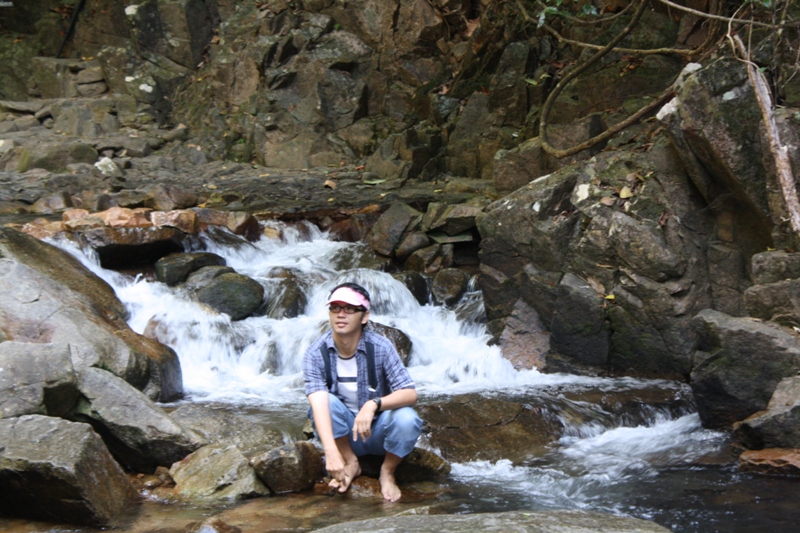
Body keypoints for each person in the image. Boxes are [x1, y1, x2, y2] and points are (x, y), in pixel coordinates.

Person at [303, 282, 422, 502]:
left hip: (378, 432)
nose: (341, 314)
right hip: (345, 437)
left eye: (349, 308)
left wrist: (373, 404)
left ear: (364, 317)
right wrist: (331, 453)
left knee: (407, 418)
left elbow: (409, 393)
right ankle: (351, 462)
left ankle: (387, 472)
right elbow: (318, 402)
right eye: (335, 308)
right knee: (324, 402)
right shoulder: (315, 353)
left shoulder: (381, 347)